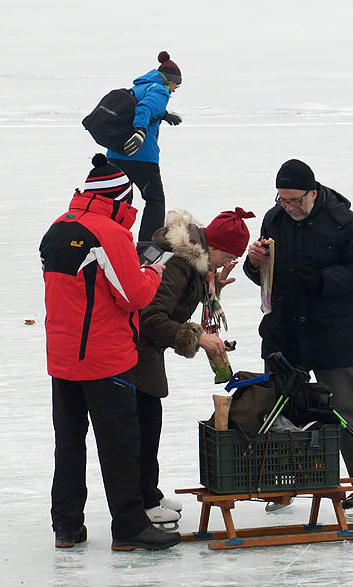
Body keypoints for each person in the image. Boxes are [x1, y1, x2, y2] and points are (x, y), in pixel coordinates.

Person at [40, 153, 180, 551]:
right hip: (105, 358)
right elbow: (133, 296)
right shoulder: (109, 233)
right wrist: (152, 271)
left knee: (68, 442)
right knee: (119, 445)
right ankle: (129, 527)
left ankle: (67, 526)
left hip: (63, 357)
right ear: (120, 200)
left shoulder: (58, 227)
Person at [242, 159, 353, 510]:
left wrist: (321, 281)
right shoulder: (273, 219)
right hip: (285, 331)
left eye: (294, 200)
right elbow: (262, 278)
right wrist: (254, 261)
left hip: (333, 331)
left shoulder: (342, 222)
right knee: (281, 410)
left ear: (313, 192)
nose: (288, 207)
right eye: (282, 199)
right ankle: (283, 485)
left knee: (347, 409)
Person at [131, 207, 254, 525]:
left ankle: (149, 492)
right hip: (132, 351)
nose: (227, 262)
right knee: (144, 426)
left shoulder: (194, 259)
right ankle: (143, 501)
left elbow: (179, 296)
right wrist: (197, 337)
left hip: (143, 352)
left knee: (149, 422)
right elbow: (151, 317)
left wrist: (213, 286)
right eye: (227, 255)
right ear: (214, 246)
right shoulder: (179, 263)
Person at [106, 51, 183, 243]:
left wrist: (163, 114)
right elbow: (144, 109)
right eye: (176, 85)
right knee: (155, 200)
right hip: (141, 156)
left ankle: (110, 239)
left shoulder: (141, 86)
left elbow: (141, 105)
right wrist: (140, 131)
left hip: (117, 152)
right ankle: (149, 246)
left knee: (120, 200)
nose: (174, 90)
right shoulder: (160, 90)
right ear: (169, 81)